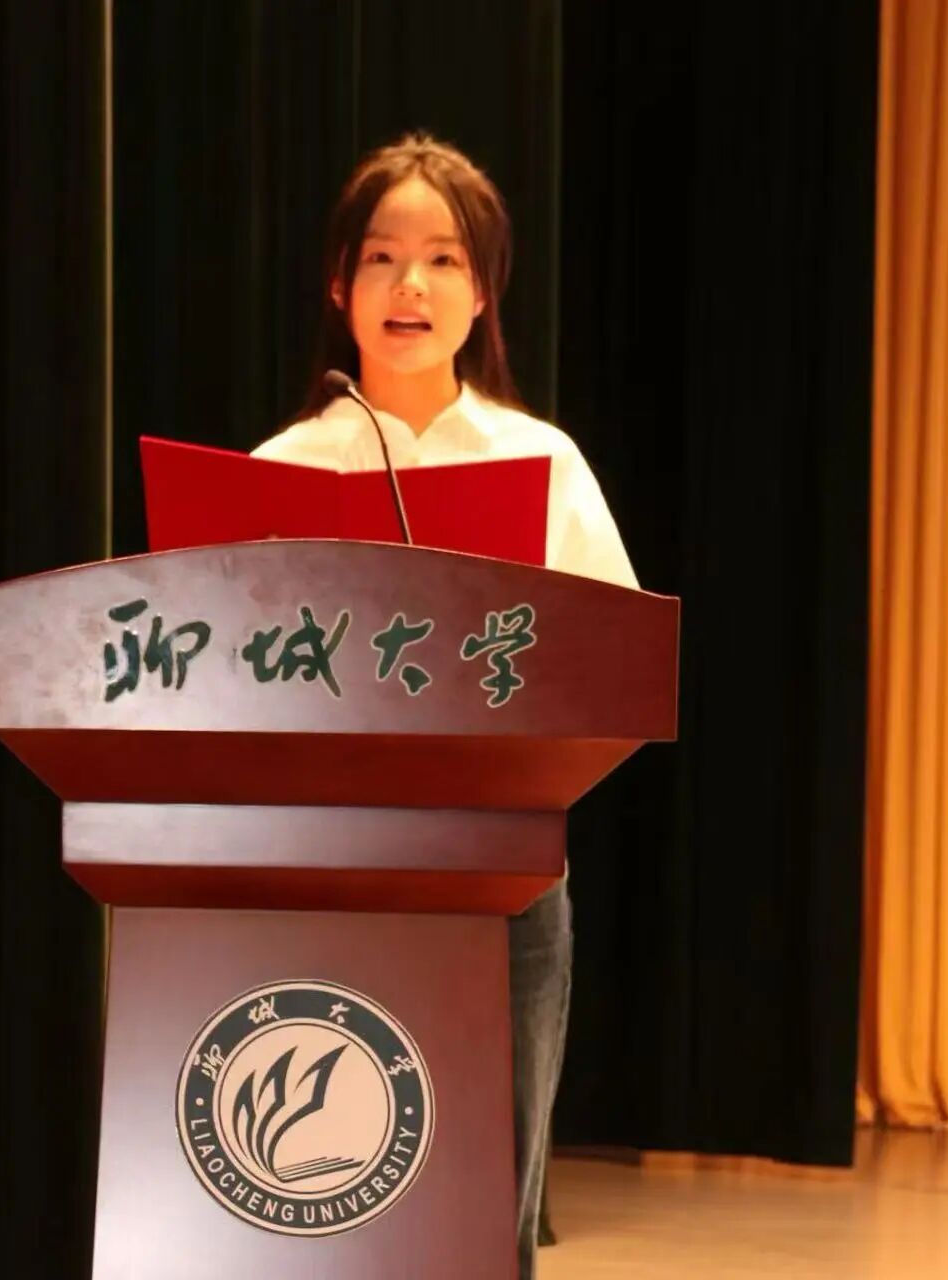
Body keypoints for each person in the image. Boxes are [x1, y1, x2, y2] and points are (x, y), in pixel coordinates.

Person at [252, 131, 639, 1276]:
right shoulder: (282, 467)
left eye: (442, 259)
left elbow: (619, 669)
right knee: (325, 1192)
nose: (409, 285)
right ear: (340, 286)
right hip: (324, 879)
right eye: (380, 256)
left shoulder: (543, 464)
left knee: (481, 1208)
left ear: (483, 292)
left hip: (501, 878)